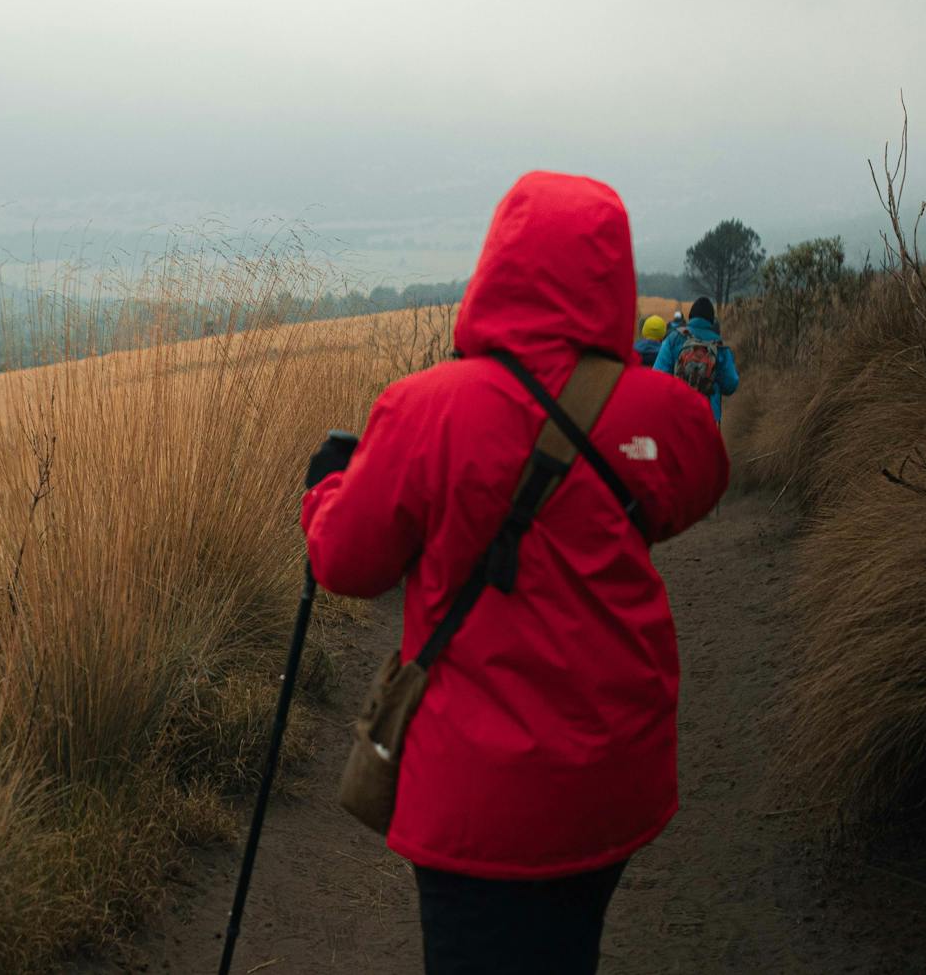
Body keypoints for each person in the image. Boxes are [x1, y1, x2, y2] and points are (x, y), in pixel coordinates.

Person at [300, 172, 730, 975]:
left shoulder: (423, 409)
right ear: (613, 274)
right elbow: (692, 490)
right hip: (613, 785)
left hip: (474, 806)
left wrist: (326, 487)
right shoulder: (662, 414)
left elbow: (345, 561)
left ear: (497, 262)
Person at [652, 296, 739, 423]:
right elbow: (731, 384)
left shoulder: (674, 339)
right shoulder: (719, 347)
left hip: (676, 414)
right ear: (711, 321)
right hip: (707, 417)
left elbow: (658, 377)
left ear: (690, 316)